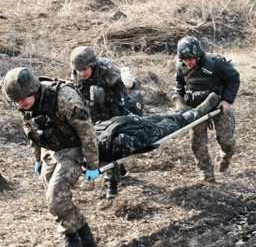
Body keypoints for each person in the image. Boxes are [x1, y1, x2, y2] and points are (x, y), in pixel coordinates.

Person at [2, 67, 100, 247]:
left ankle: (72, 237)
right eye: (17, 101)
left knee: (56, 197)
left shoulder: (63, 97)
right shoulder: (26, 104)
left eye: (24, 98)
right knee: (52, 200)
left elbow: (86, 130)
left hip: (73, 148)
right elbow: (31, 132)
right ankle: (83, 235)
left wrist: (93, 164)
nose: (21, 103)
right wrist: (37, 159)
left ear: (33, 89)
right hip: (50, 150)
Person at [70, 46, 142, 199]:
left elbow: (135, 82)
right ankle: (117, 168)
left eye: (85, 69)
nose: (82, 73)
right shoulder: (76, 73)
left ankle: (111, 182)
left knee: (108, 143)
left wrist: (131, 83)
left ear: (92, 64)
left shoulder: (108, 69)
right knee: (98, 142)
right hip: (94, 113)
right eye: (79, 70)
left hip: (114, 110)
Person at [172, 36, 240, 182]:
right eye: (184, 59)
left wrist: (227, 100)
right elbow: (179, 86)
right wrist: (180, 101)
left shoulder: (216, 63)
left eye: (190, 59)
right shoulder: (181, 67)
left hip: (219, 107)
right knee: (197, 144)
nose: (187, 62)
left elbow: (233, 78)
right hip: (196, 110)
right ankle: (206, 173)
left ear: (198, 55)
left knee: (226, 141)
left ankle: (226, 155)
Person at [96, 92, 220, 161]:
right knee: (170, 124)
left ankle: (181, 111)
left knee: (160, 121)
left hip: (118, 128)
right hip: (117, 137)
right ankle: (199, 111)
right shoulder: (114, 143)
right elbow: (145, 136)